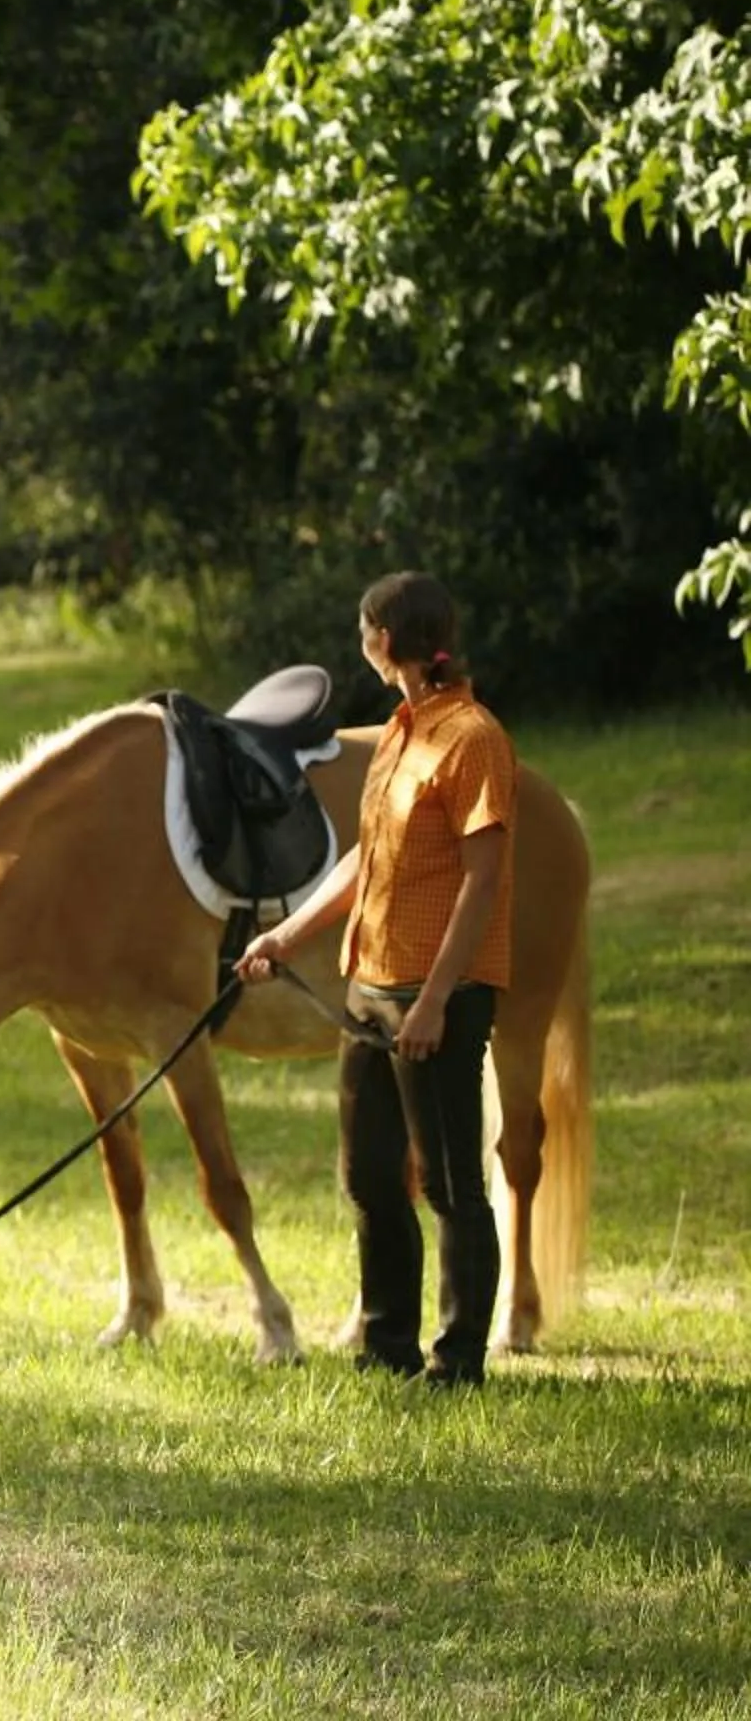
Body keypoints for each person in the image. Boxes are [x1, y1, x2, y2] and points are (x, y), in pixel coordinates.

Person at [238, 572, 515, 1386]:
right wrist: (286, 936)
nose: (361, 644)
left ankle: (458, 1361)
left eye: (363, 632)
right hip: (368, 988)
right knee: (368, 1177)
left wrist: (433, 1001)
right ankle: (387, 1347)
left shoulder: (472, 738)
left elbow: (483, 879)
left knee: (452, 1183)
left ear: (383, 642)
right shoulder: (400, 732)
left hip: (438, 998)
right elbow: (370, 856)